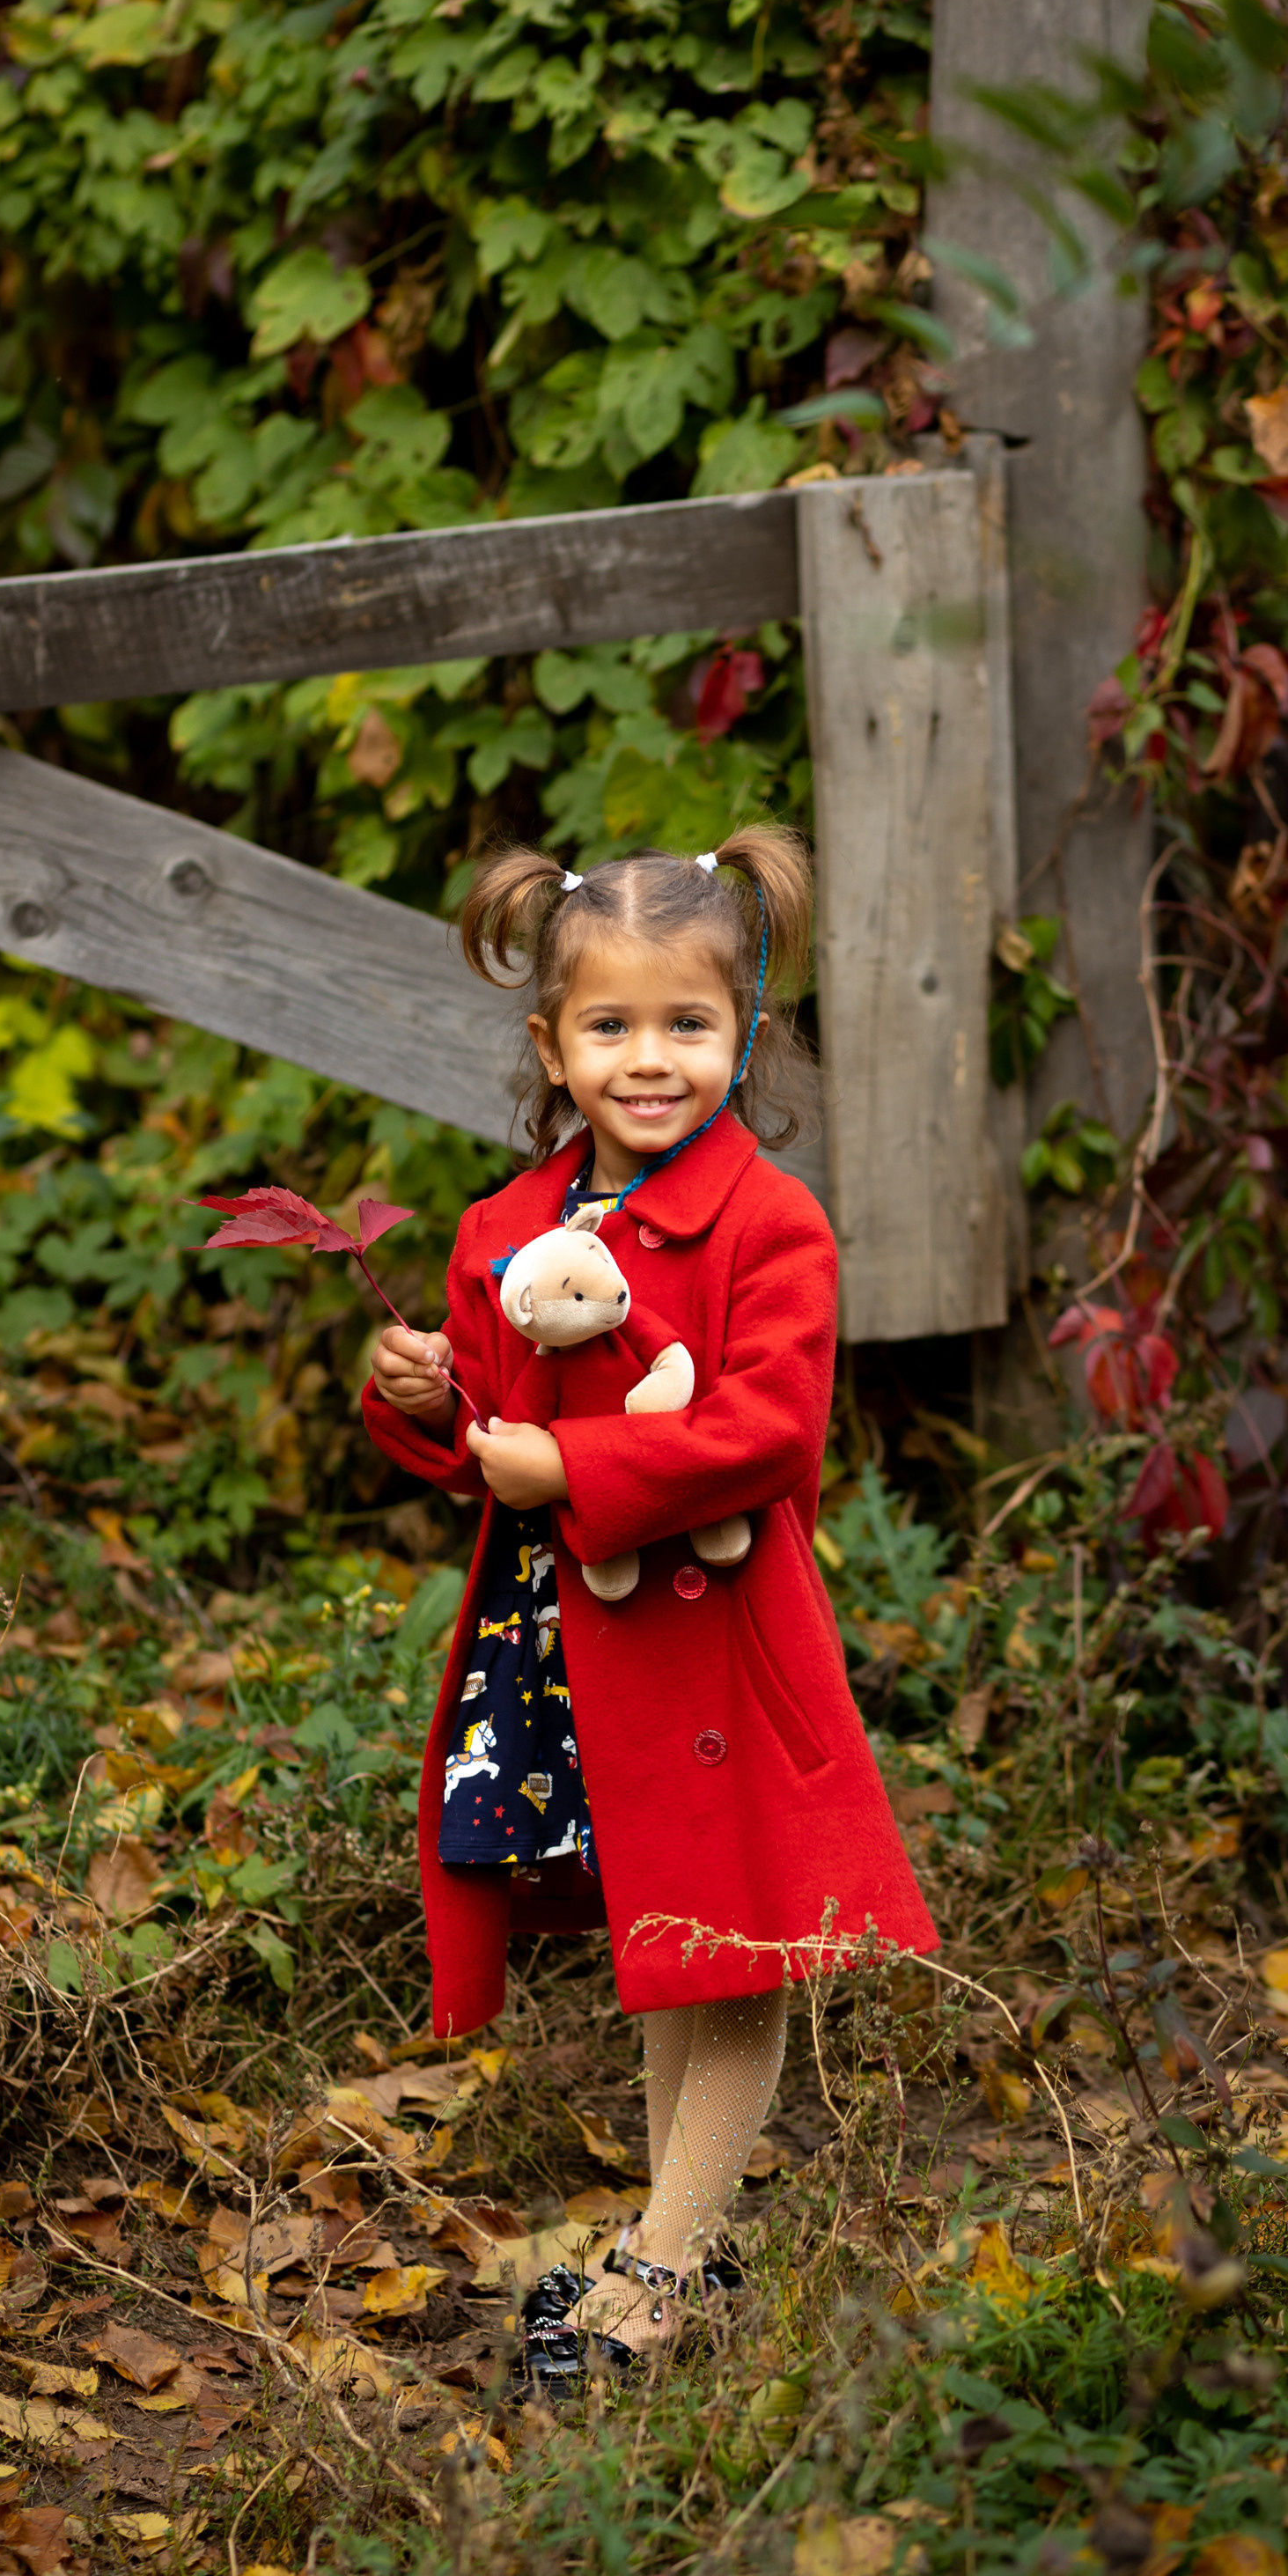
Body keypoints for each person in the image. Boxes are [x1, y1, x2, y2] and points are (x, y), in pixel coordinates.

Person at [363, 829, 937, 2387]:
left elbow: (766, 1432)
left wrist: (579, 1459)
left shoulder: (771, 1226)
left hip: (716, 1646)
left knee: (727, 1948)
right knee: (659, 1936)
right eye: (611, 1025)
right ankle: (671, 2241)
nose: (650, 1058)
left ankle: (664, 2275)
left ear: (743, 1030)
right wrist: (424, 1396)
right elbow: (488, 1436)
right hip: (572, 1650)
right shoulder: (502, 1229)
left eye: (687, 1023)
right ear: (551, 1044)